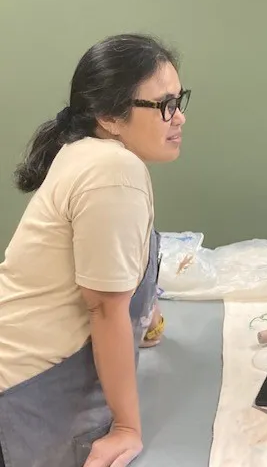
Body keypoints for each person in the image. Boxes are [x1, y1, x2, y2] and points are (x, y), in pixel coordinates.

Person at [0, 33, 190, 466]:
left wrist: (147, 318)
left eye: (180, 100)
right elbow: (105, 307)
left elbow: (110, 266)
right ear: (109, 115)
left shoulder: (90, 154)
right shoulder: (113, 168)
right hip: (29, 389)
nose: (178, 118)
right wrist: (127, 427)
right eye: (164, 105)